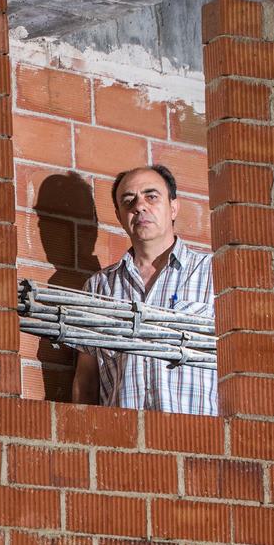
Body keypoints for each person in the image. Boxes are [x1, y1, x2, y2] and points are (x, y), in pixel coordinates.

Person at [71, 164, 218, 415]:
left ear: (173, 207)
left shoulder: (214, 274)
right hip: (122, 445)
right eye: (128, 200)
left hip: (199, 441)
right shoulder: (98, 288)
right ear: (119, 216)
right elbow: (85, 383)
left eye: (151, 196)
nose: (139, 206)